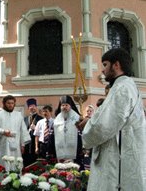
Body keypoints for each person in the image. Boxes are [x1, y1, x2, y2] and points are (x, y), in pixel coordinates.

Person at [82, 48, 146, 191]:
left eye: (105, 65)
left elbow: (104, 125)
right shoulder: (124, 86)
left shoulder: (122, 88)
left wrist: (87, 128)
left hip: (118, 161)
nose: (103, 70)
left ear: (116, 65)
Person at [0, 95, 30, 171]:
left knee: (16, 162)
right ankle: (0, 181)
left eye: (12, 103)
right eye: (8, 103)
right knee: (3, 163)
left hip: (16, 144)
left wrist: (22, 144)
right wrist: (3, 131)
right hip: (3, 144)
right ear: (4, 103)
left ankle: (16, 180)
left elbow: (23, 130)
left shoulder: (18, 115)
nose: (10, 105)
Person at [53, 95, 83, 165]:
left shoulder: (76, 118)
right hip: (60, 150)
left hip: (75, 150)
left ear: (70, 106)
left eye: (66, 105)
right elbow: (53, 135)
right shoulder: (57, 119)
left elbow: (81, 133)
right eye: (62, 105)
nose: (64, 107)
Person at [23, 98, 43, 167]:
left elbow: (44, 132)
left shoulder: (41, 119)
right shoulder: (25, 119)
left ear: (36, 107)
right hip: (26, 145)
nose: (32, 108)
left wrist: (35, 129)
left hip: (36, 144)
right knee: (26, 163)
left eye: (34, 106)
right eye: (30, 106)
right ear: (28, 108)